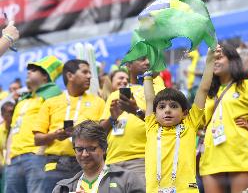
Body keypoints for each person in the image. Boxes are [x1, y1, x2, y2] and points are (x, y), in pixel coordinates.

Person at [199, 44, 248, 193]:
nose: (215, 61)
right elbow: (197, 122)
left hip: (239, 154)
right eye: (212, 59)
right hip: (211, 156)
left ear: (233, 60)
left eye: (220, 57)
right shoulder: (207, 91)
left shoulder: (247, 86)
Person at [143, 46, 219, 192]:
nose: (167, 110)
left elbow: (203, 88)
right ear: (155, 112)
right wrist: (147, 76)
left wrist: (210, 59)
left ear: (184, 113)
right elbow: (149, 99)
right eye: (162, 107)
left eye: (173, 106)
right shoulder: (152, 126)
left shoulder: (189, 123)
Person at [33, 59, 105, 193]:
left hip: (88, 164)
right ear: (70, 76)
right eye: (84, 72)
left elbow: (103, 135)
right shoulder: (50, 102)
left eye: (90, 72)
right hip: (55, 165)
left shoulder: (99, 102)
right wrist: (55, 135)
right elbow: (37, 139)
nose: (89, 76)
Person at [100, 56, 165, 187]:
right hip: (113, 161)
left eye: (148, 59)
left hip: (143, 159)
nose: (147, 62)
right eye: (141, 59)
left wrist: (135, 110)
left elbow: (165, 124)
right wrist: (113, 118)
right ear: (129, 66)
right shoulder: (115, 95)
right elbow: (100, 132)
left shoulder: (160, 91)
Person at [4, 56, 63, 193]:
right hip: (13, 160)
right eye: (29, 69)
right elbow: (13, 130)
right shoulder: (22, 101)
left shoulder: (53, 96)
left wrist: (40, 153)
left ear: (45, 76)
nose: (29, 72)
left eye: (34, 70)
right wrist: (8, 158)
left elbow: (54, 126)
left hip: (36, 158)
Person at [52, 120, 145, 193]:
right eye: (79, 149)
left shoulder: (127, 179)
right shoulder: (63, 188)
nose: (85, 154)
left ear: (104, 148)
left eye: (91, 148)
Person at [0, 102, 14, 193]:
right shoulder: (0, 130)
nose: (12, 116)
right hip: (3, 167)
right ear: (3, 115)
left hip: (17, 164)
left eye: (13, 112)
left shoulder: (19, 128)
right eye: (9, 113)